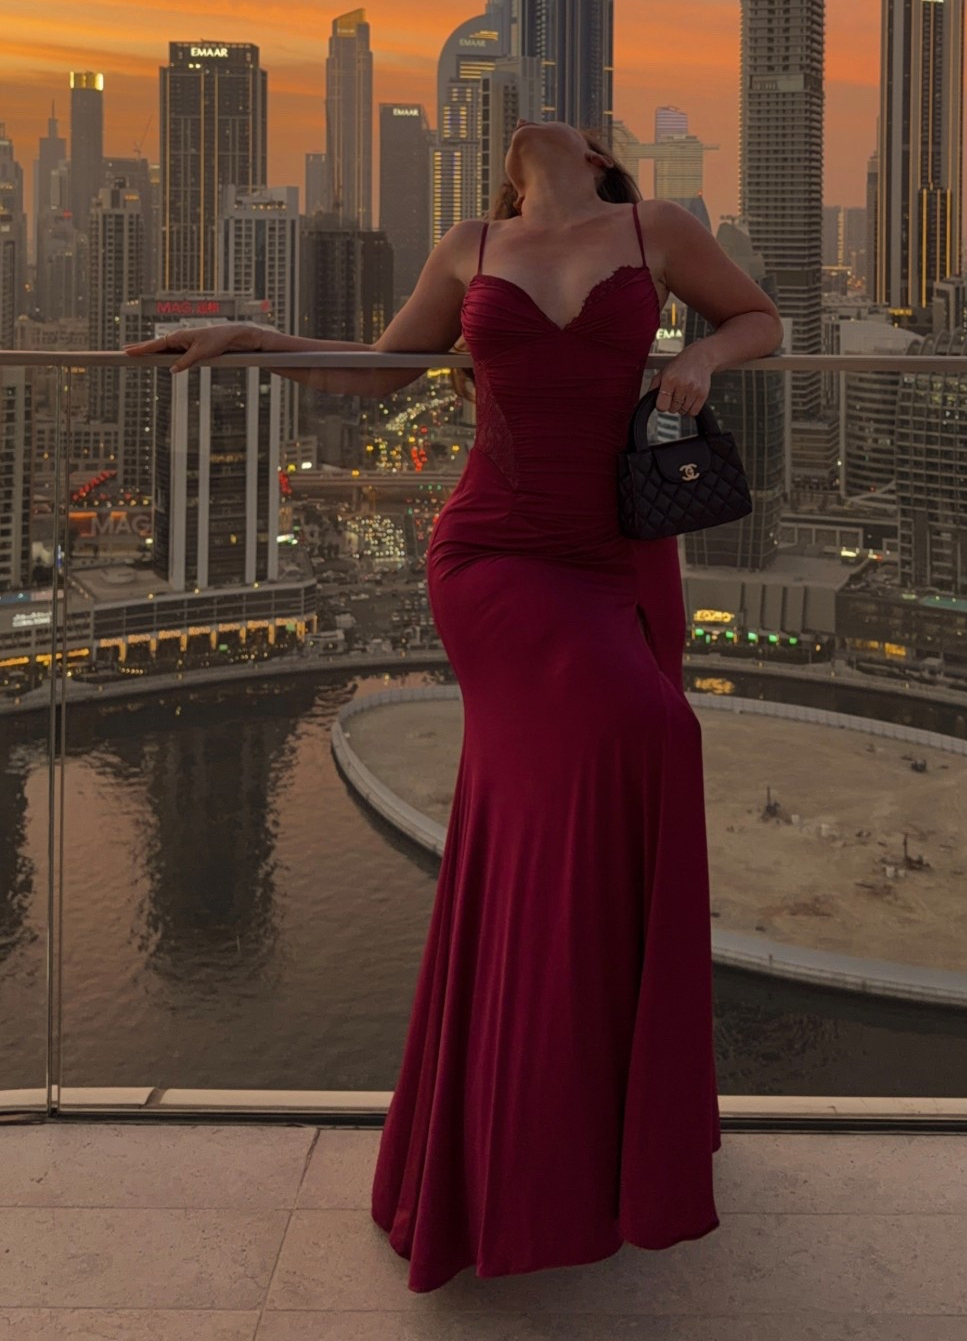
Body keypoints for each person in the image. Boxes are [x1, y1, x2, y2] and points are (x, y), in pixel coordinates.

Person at [129, 119, 783, 1291]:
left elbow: (763, 315)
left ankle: (559, 1130)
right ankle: (529, 1133)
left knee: (612, 769)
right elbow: (379, 372)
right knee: (639, 735)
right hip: (493, 558)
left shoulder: (659, 228)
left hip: (613, 559)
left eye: (571, 118)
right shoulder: (468, 242)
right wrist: (250, 340)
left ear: (597, 154)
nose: (542, 120)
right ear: (513, 166)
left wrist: (701, 362)